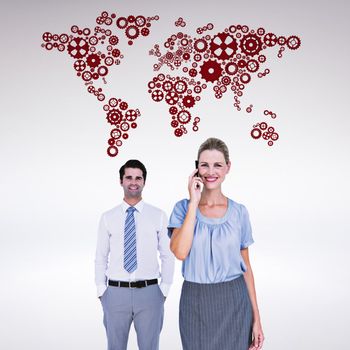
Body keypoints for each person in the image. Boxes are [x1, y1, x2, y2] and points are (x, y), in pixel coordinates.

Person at [168, 138, 264, 350]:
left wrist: (257, 317)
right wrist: (193, 202)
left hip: (234, 300)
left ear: (228, 167)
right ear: (196, 168)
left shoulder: (239, 212)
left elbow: (246, 267)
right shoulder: (183, 208)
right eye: (204, 165)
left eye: (217, 165)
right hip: (196, 300)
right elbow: (180, 252)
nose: (211, 171)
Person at [95, 159, 175, 350]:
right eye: (129, 177)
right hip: (115, 294)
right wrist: (101, 290)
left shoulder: (158, 215)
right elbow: (100, 256)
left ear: (144, 182)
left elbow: (168, 254)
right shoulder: (108, 217)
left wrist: (163, 289)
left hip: (150, 293)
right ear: (121, 181)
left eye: (138, 178)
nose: (133, 182)